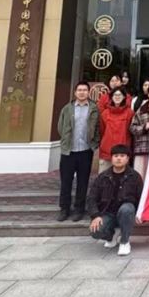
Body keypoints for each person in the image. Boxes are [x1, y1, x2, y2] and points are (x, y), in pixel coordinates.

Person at [57, 81, 101, 222]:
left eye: (84, 90)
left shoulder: (94, 109)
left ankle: (79, 209)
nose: (82, 92)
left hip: (85, 150)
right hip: (69, 151)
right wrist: (66, 140)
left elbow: (98, 127)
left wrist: (94, 143)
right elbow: (60, 126)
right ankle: (64, 209)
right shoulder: (67, 108)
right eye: (79, 90)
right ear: (75, 92)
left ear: (88, 92)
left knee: (83, 181)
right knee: (66, 181)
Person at [88, 144, 143, 256]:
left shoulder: (135, 176)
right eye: (116, 156)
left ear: (127, 159)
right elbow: (91, 198)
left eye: (122, 156)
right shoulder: (102, 177)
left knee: (127, 208)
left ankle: (124, 241)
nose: (118, 158)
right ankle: (112, 235)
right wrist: (95, 215)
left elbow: (141, 197)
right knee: (95, 231)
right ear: (111, 158)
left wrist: (140, 213)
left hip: (126, 212)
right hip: (108, 212)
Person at [99, 87, 134, 173]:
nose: (117, 97)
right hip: (106, 152)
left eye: (120, 95)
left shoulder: (130, 113)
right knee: (104, 177)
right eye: (115, 95)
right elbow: (101, 131)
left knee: (123, 179)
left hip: (123, 152)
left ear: (124, 97)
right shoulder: (105, 113)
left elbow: (132, 132)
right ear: (111, 97)